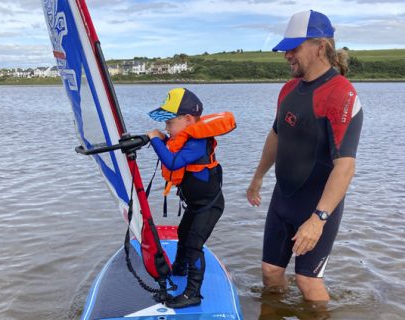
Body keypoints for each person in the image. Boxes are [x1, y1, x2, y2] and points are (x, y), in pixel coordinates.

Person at [246, 10, 363, 302]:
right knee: (271, 272)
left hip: (316, 204)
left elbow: (345, 166)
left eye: (294, 48)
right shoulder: (288, 89)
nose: (287, 55)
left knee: (307, 282)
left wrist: (319, 219)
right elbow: (276, 135)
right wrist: (258, 177)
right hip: (283, 198)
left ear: (319, 47)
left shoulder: (342, 95)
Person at [146, 88, 235, 308]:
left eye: (169, 122)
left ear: (187, 120)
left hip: (209, 206)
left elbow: (174, 162)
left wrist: (155, 140)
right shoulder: (186, 138)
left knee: (194, 243)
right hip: (196, 204)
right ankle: (179, 267)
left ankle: (192, 293)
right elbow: (172, 146)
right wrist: (159, 139)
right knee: (184, 234)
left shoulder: (198, 142)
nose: (166, 127)